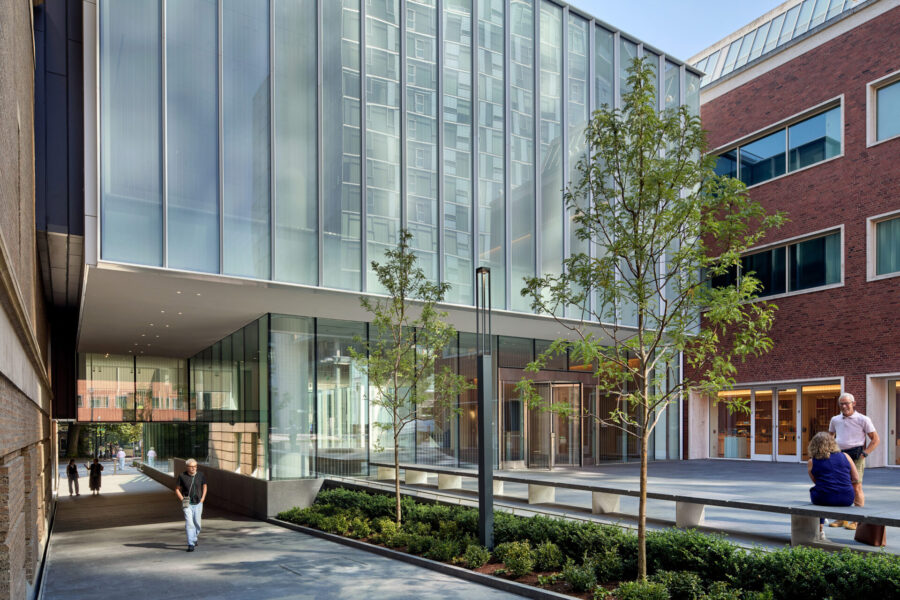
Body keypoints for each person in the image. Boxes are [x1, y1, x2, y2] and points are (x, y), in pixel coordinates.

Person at [828, 392, 879, 530]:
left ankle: (857, 520)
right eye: (841, 404)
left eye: (847, 403)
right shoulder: (835, 420)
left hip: (857, 456)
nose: (844, 406)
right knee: (839, 486)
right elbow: (830, 437)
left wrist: (865, 454)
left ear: (853, 404)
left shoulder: (863, 419)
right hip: (839, 455)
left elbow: (875, 439)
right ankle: (841, 518)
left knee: (856, 486)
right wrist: (831, 451)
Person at [808, 431, 863, 542]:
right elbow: (856, 478)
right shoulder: (845, 456)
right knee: (824, 491)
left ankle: (820, 529)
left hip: (823, 498)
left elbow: (816, 481)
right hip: (847, 498)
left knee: (821, 492)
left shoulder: (811, 461)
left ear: (814, 445)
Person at [175, 458, 207, 552]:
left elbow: (204, 486)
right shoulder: (182, 476)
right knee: (189, 523)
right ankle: (191, 544)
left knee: (197, 524)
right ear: (187, 467)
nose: (193, 468)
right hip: (187, 503)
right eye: (191, 466)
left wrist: (203, 498)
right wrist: (182, 499)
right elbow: (177, 489)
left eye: (195, 466)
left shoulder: (200, 475)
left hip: (198, 503)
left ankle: (194, 538)